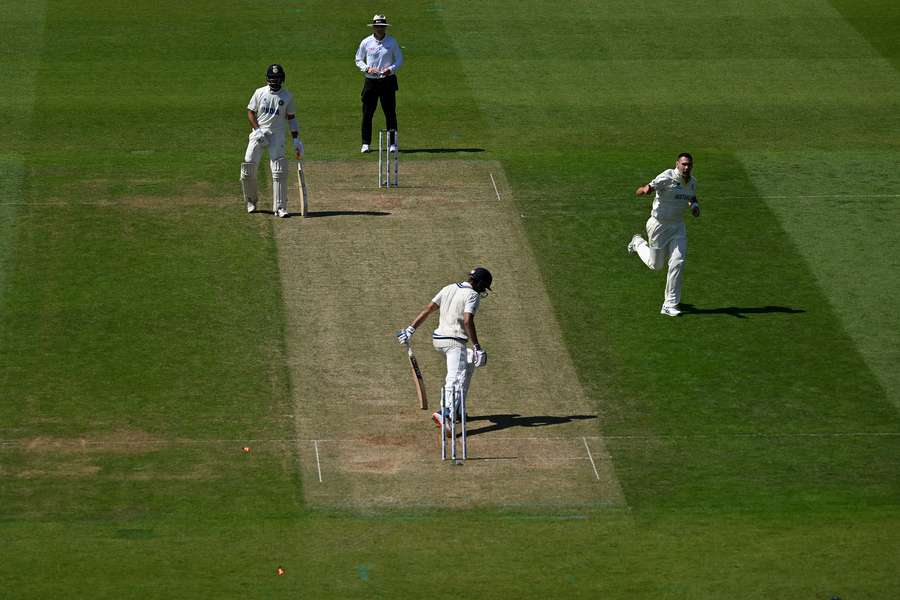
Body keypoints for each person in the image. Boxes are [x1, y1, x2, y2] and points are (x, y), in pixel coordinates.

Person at [396, 267, 492, 426]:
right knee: (455, 378)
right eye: (483, 286)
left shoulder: (449, 287)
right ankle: (445, 413)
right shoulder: (473, 295)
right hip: (454, 341)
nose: (482, 290)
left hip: (439, 340)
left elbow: (429, 309)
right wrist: (477, 346)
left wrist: (410, 329)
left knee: (468, 362)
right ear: (480, 284)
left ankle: (458, 409)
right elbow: (468, 320)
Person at [627, 153, 701, 316]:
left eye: (689, 165)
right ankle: (638, 242)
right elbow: (649, 187)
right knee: (656, 265)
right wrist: (645, 190)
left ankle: (669, 304)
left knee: (678, 262)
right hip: (659, 225)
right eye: (684, 164)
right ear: (677, 164)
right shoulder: (667, 176)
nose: (686, 167)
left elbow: (691, 195)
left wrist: (694, 206)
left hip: (678, 226)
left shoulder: (692, 182)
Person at [240, 64, 304, 218]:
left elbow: (292, 118)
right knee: (248, 165)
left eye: (277, 78)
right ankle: (251, 201)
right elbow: (250, 112)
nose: (274, 81)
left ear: (282, 79)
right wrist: (257, 130)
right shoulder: (259, 92)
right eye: (271, 78)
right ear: (267, 79)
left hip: (277, 135)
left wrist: (296, 140)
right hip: (260, 133)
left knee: (279, 168)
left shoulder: (287, 96)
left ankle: (280, 207)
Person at [355, 14, 403, 154]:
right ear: (374, 27)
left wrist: (390, 69)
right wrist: (368, 68)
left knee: (390, 113)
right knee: (367, 114)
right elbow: (358, 59)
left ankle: (393, 144)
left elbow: (399, 59)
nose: (380, 29)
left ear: (385, 27)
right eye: (378, 26)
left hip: (387, 81)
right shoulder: (366, 42)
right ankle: (365, 143)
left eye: (382, 26)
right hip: (371, 81)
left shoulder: (392, 42)